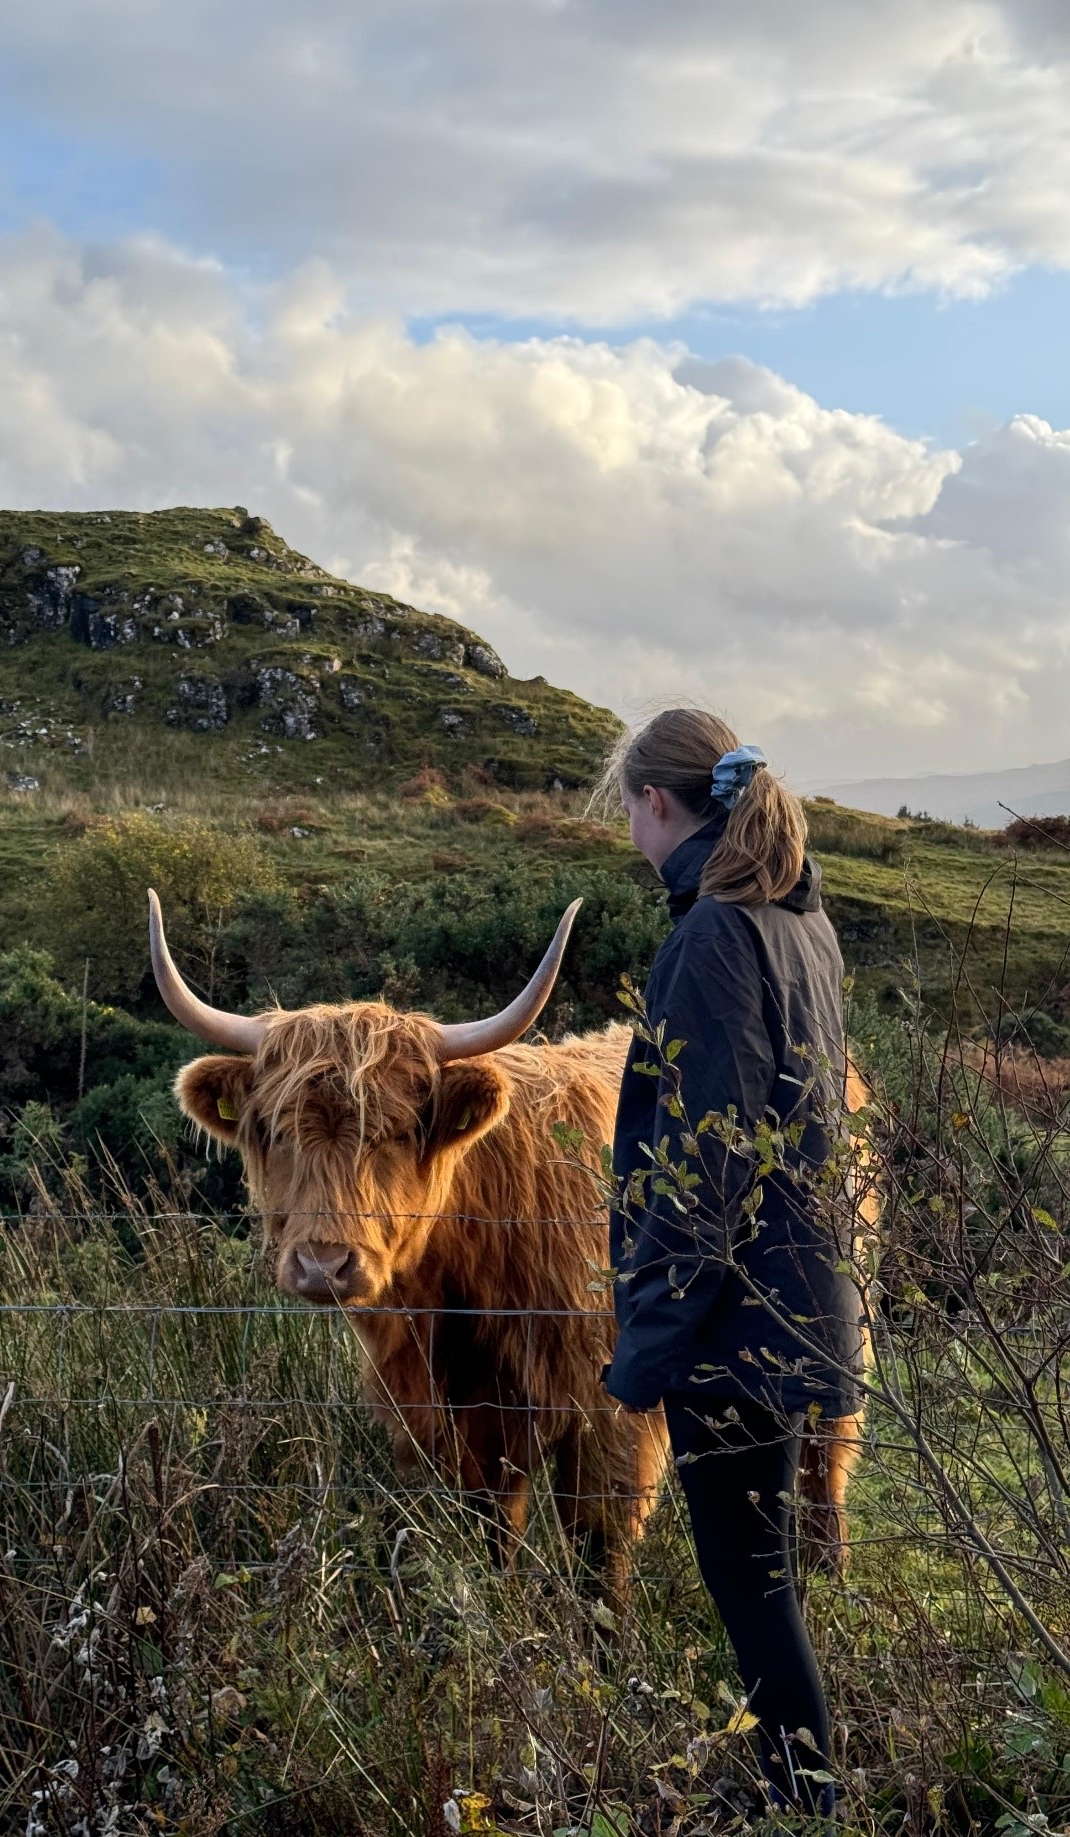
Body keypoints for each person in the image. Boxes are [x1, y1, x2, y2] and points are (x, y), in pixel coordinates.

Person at [595, 708, 865, 1829]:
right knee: (772, 1584)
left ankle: (806, 1803)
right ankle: (791, 1786)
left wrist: (646, 1348)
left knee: (752, 1595)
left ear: (659, 805)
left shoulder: (711, 937)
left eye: (628, 811)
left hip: (735, 1331)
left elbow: (704, 1164)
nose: (629, 831)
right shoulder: (803, 925)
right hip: (798, 1306)